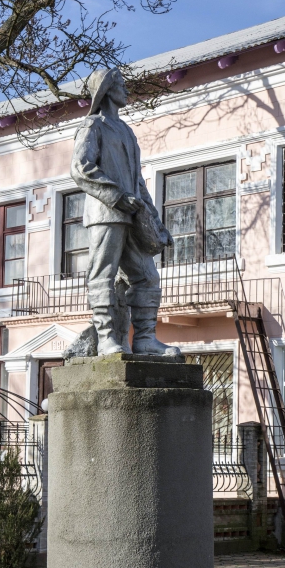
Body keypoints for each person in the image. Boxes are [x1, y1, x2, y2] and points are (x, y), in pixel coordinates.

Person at [71, 67, 180, 356]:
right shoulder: (92, 126)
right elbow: (80, 168)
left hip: (133, 215)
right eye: (120, 83)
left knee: (147, 276)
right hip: (106, 212)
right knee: (102, 274)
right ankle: (107, 338)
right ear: (106, 90)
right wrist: (117, 196)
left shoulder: (126, 132)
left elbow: (138, 182)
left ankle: (145, 338)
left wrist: (156, 222)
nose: (126, 89)